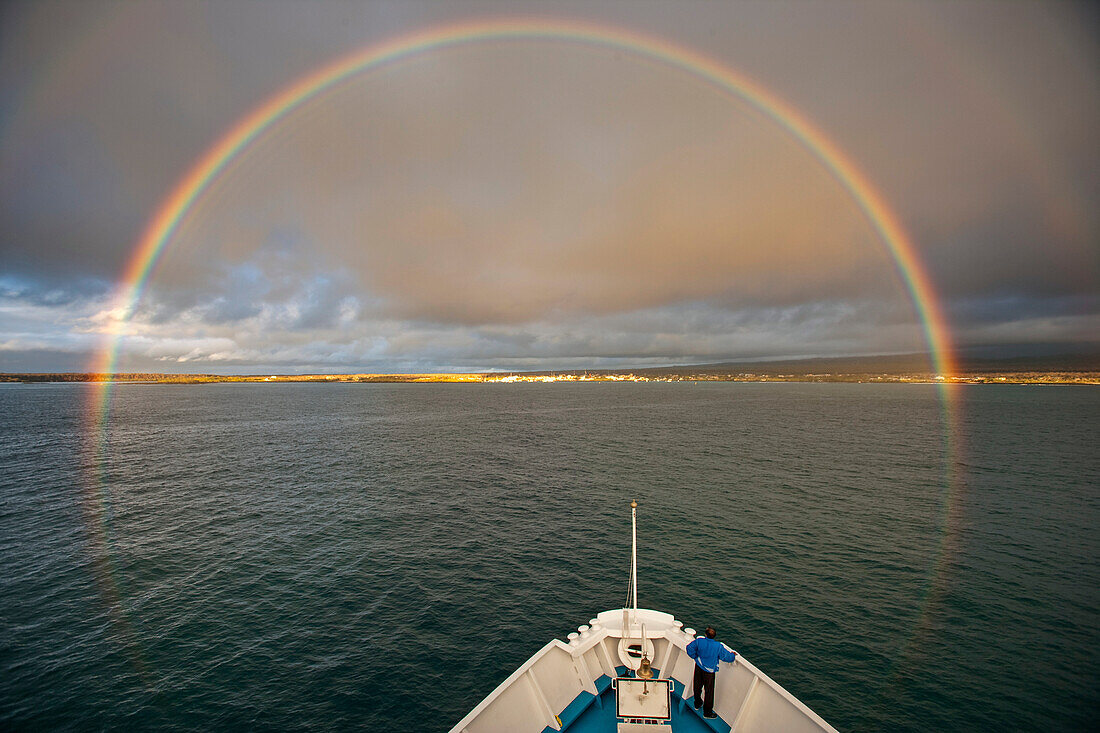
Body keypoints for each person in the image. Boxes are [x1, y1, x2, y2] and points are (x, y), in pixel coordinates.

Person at [686, 626, 737, 719]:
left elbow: (689, 648)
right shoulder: (718, 646)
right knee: (709, 691)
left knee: (697, 686)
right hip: (709, 672)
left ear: (705, 634)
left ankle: (697, 704)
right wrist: (732, 655)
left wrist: (695, 657)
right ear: (714, 636)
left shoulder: (699, 641)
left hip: (699, 667)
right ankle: (707, 713)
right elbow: (726, 657)